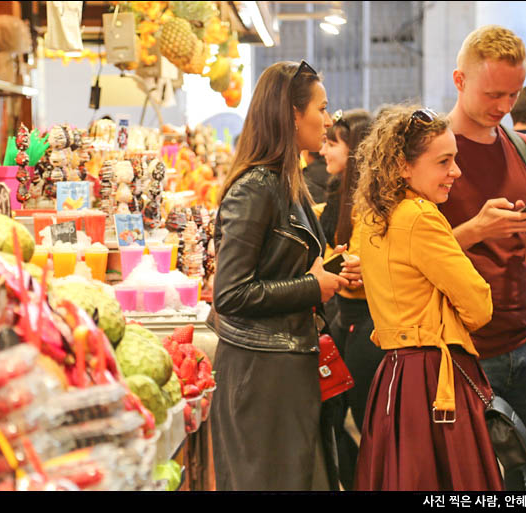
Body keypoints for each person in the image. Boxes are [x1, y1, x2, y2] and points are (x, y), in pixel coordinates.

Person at [208, 60, 362, 491]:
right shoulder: (256, 187)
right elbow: (231, 293)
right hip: (262, 373)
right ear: (292, 113)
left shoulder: (285, 182)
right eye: (321, 108)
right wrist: (315, 285)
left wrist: (329, 270)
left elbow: (282, 267)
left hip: (286, 364)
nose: (328, 119)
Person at [439, 25, 526, 491]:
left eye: (512, 94)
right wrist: (476, 229)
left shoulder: (524, 148)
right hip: (459, 350)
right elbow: (405, 258)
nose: (503, 106)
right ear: (459, 80)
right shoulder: (429, 154)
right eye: (493, 93)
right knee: (472, 485)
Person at [352, 104, 502, 491]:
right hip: (435, 378)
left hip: (395, 373)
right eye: (444, 161)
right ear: (403, 165)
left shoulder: (372, 216)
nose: (456, 171)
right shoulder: (421, 216)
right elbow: (480, 306)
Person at [316, 108, 382, 490]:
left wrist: (330, 268)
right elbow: (337, 262)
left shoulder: (373, 204)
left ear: (354, 149)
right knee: (329, 415)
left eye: (332, 142)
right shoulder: (336, 194)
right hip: (343, 320)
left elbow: (353, 275)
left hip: (367, 326)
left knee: (366, 421)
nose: (323, 150)